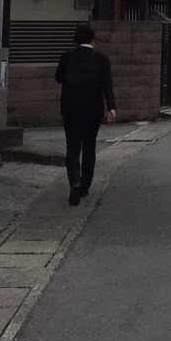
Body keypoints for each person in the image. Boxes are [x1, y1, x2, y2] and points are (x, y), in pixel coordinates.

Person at [55, 23, 116, 206]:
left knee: (72, 147)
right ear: (93, 40)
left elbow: (58, 78)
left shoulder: (67, 58)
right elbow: (107, 85)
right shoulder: (102, 59)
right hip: (93, 108)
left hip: (71, 108)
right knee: (89, 146)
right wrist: (111, 107)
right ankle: (84, 186)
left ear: (75, 41)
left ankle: (74, 182)